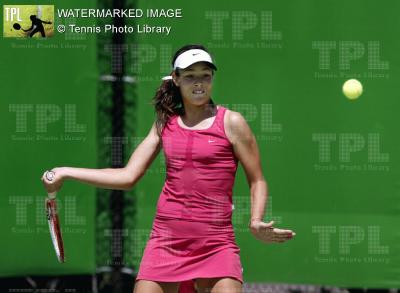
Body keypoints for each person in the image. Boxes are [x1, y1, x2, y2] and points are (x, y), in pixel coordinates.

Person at [41, 44, 296, 293]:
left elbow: (257, 180)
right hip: (166, 240)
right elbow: (128, 176)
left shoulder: (232, 123)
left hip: (216, 242)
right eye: (190, 76)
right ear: (176, 78)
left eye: (205, 76)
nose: (199, 83)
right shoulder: (165, 123)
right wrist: (65, 172)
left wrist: (255, 220)